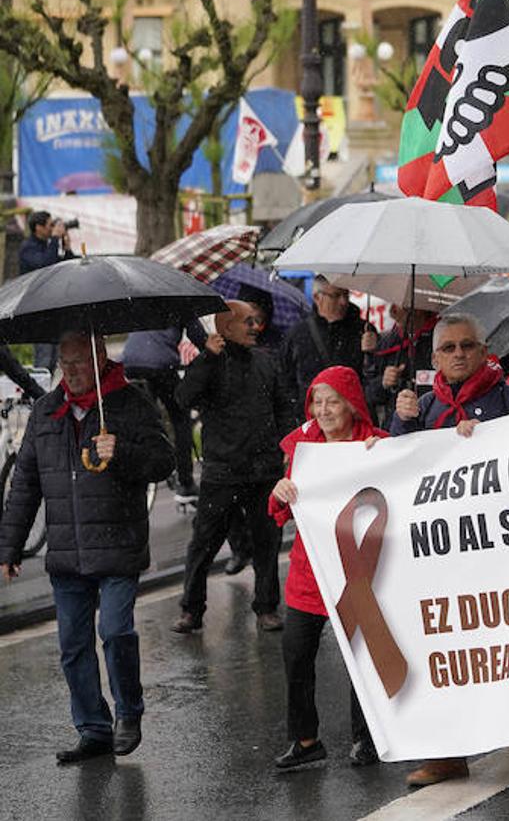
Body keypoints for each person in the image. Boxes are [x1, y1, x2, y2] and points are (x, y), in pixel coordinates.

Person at [0, 331, 174, 763]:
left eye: (79, 363)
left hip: (117, 544)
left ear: (100, 360)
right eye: (65, 362)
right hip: (67, 551)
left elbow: (163, 461)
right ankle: (93, 728)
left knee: (115, 631)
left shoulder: (130, 402)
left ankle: (128, 712)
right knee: (73, 646)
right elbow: (26, 483)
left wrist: (123, 452)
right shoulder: (46, 410)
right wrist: (9, 547)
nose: (71, 372)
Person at [389, 311, 509, 786]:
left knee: (503, 645)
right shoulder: (423, 407)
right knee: (444, 654)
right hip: (441, 558)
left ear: (484, 350)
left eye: (467, 346)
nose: (458, 355)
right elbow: (397, 474)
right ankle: (448, 753)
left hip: (499, 554)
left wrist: (486, 445)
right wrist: (402, 423)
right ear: (433, 358)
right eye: (448, 349)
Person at [268, 366, 383, 771]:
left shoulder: (374, 445)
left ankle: (365, 736)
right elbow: (282, 507)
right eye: (317, 401)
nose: (324, 409)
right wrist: (280, 491)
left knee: (361, 656)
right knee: (296, 652)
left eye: (333, 400)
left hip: (358, 569)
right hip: (309, 570)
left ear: (351, 404)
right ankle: (305, 739)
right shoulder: (304, 449)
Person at [171, 301, 294, 634]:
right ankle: (191, 610)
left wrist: (287, 446)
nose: (256, 326)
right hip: (222, 472)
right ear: (226, 328)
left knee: (267, 542)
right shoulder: (210, 362)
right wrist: (207, 358)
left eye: (257, 320)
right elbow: (182, 399)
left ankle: (267, 607)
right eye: (248, 321)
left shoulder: (266, 362)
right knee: (203, 543)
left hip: (264, 470)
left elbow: (284, 406)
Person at [123, 321, 208, 504]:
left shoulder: (144, 296)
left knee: (145, 419)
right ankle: (185, 482)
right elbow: (200, 338)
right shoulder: (179, 299)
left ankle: (141, 466)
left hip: (130, 360)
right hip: (160, 363)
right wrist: (212, 355)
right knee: (181, 418)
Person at [280, 278, 370, 420]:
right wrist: (300, 408)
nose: (343, 302)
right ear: (317, 297)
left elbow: (372, 379)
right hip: (312, 422)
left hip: (353, 421)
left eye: (346, 295)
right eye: (335, 295)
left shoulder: (364, 330)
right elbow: (285, 381)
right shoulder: (298, 334)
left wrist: (372, 352)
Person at [18, 211, 75, 372]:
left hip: (52, 307)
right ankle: (40, 395)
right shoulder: (27, 248)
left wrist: (67, 248)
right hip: (37, 310)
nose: (53, 229)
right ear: (38, 228)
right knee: (44, 358)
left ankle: (49, 394)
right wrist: (55, 238)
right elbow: (46, 266)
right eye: (50, 225)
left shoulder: (47, 246)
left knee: (55, 359)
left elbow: (66, 266)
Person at [363, 306, 437, 427]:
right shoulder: (386, 342)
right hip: (395, 429)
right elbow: (368, 394)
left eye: (399, 304)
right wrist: (383, 382)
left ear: (417, 309)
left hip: (431, 427)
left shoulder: (442, 339)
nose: (392, 310)